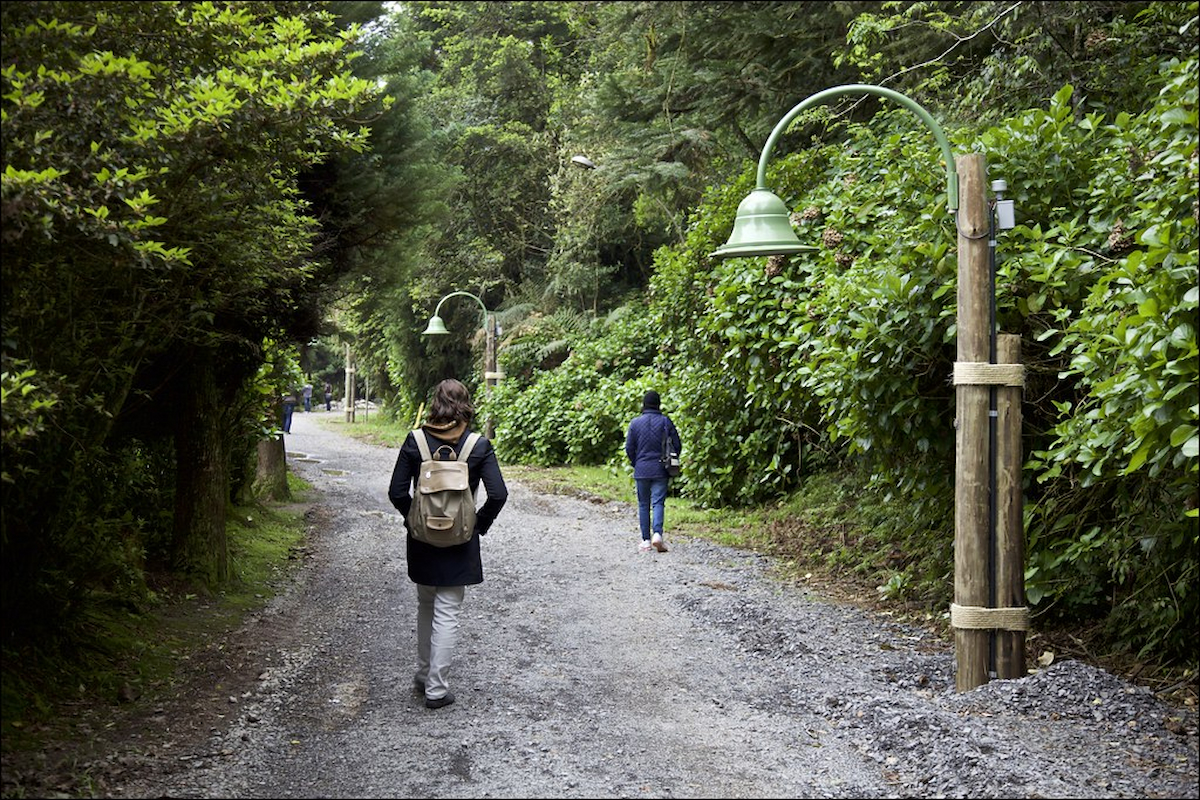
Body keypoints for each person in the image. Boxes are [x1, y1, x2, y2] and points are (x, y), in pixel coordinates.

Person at [387, 378, 508, 709]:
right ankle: (437, 690)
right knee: (448, 612)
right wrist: (476, 526)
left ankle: (424, 675)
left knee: (426, 604)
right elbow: (499, 494)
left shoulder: (415, 442)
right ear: (466, 406)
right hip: (460, 541)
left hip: (422, 539)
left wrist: (413, 520)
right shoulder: (478, 445)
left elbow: (397, 491)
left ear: (435, 404)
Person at [625, 390, 681, 553]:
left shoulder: (635, 423)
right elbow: (677, 445)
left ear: (644, 404)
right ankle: (657, 534)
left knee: (643, 504)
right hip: (660, 469)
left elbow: (629, 448)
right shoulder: (665, 422)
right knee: (658, 502)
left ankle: (646, 540)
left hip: (641, 469)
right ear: (658, 404)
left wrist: (637, 463)